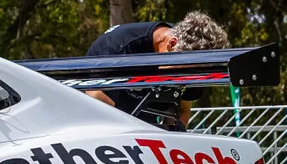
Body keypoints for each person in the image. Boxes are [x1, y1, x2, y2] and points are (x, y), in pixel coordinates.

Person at [83, 12, 231, 128]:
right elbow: (96, 104)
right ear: (172, 44)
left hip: (146, 131)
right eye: (184, 70)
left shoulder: (191, 53)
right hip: (102, 124)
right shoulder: (118, 48)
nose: (184, 77)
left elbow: (183, 110)